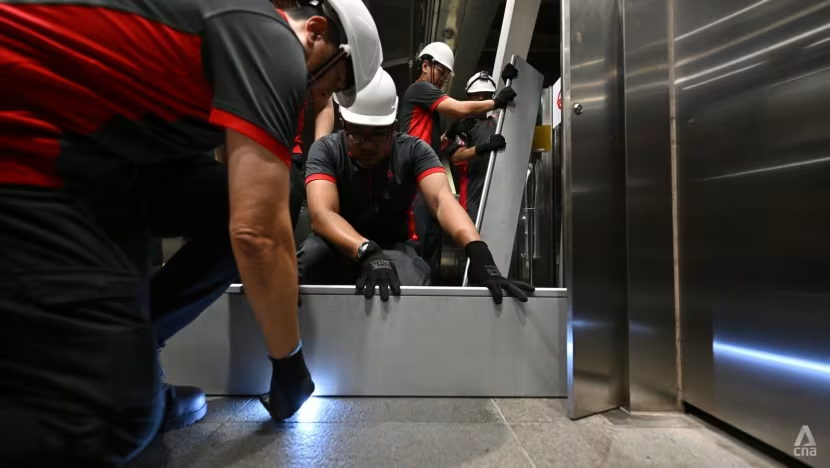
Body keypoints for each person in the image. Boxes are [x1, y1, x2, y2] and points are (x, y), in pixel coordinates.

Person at [0, 0, 381, 465]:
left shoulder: (229, 36)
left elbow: (231, 194)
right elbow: (257, 233)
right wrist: (289, 362)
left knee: (246, 203)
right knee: (113, 414)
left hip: (100, 145)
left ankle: (137, 347)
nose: (319, 100)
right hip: (27, 133)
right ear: (316, 32)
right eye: (331, 83)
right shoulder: (275, 45)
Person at [300, 68, 534, 303]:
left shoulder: (414, 150)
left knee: (415, 284)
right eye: (358, 135)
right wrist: (366, 251)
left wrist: (478, 251)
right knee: (309, 262)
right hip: (335, 244)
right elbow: (322, 214)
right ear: (344, 123)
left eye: (378, 135)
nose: (368, 145)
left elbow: (442, 200)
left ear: (393, 126)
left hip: (393, 246)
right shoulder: (327, 150)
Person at [398, 41, 518, 267]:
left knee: (432, 245)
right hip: (415, 180)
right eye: (441, 72)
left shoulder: (425, 105)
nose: (443, 79)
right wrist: (496, 102)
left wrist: (447, 135)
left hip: (426, 179)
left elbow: (426, 137)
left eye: (446, 75)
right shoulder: (420, 89)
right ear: (426, 66)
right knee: (419, 247)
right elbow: (457, 108)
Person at [447, 71, 507, 223]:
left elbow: (515, 110)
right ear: (469, 98)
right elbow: (456, 157)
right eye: (477, 95)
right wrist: (483, 148)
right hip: (472, 197)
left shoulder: (498, 121)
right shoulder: (464, 125)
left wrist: (510, 81)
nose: (481, 100)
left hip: (499, 192)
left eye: (486, 95)